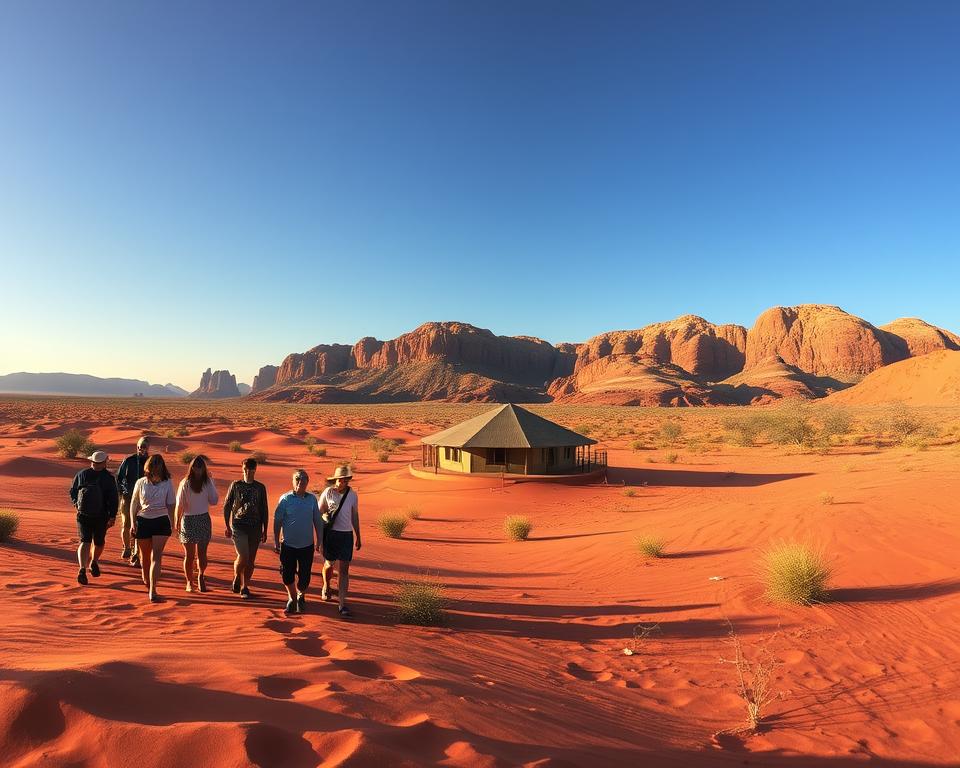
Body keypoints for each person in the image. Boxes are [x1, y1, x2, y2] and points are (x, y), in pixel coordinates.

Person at [273, 469, 322, 615]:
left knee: (304, 577)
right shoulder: (285, 499)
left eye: (304, 479)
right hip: (288, 545)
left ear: (307, 482)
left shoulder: (312, 499)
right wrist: (276, 540)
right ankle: (292, 598)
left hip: (306, 546)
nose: (301, 482)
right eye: (297, 479)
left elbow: (317, 521)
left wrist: (319, 540)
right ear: (293, 481)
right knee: (287, 575)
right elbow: (277, 521)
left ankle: (301, 595)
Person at [69, 450, 119, 585]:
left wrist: (76, 504)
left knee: (84, 541)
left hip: (83, 514)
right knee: (99, 542)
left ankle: (82, 569)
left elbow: (73, 491)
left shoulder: (82, 474)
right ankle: (94, 561)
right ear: (104, 462)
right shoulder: (108, 478)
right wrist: (113, 516)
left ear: (92, 461)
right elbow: (114, 499)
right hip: (101, 516)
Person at [129, 454, 175, 603]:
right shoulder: (164, 483)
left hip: (150, 521)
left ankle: (151, 588)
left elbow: (134, 504)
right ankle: (152, 588)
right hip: (155, 521)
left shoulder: (143, 482)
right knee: (151, 557)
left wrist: (132, 522)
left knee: (150, 557)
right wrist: (172, 522)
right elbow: (171, 504)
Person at [319, 465, 361, 618]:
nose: (341, 482)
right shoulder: (328, 492)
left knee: (344, 570)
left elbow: (354, 516)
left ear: (348, 480)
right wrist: (326, 517)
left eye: (344, 480)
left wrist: (358, 536)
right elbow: (319, 512)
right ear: (335, 479)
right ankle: (326, 586)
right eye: (339, 479)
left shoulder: (352, 495)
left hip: (346, 535)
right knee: (329, 564)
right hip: (331, 534)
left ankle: (342, 603)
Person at [223, 457, 268, 599]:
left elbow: (264, 509)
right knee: (243, 555)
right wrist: (227, 525)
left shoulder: (260, 487)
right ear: (242, 469)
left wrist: (265, 529)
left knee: (251, 560)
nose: (248, 471)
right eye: (246, 468)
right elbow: (227, 505)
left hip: (255, 527)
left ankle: (245, 586)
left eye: (251, 469)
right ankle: (237, 576)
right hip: (238, 526)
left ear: (255, 470)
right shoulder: (235, 485)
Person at [174, 454, 218, 593]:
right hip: (193, 519)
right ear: (192, 468)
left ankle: (197, 578)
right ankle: (193, 580)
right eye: (196, 467)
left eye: (200, 467)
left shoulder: (204, 482)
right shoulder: (186, 483)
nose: (198, 470)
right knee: (193, 554)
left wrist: (211, 481)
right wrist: (177, 521)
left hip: (198, 519)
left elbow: (214, 500)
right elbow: (179, 505)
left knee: (197, 554)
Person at [116, 436, 150, 567]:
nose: (142, 449)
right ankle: (127, 547)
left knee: (139, 525)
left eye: (145, 447)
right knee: (126, 524)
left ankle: (136, 553)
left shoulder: (151, 462)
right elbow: (119, 478)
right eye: (140, 447)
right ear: (137, 447)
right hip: (128, 497)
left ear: (148, 448)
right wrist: (123, 491)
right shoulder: (129, 461)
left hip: (144, 500)